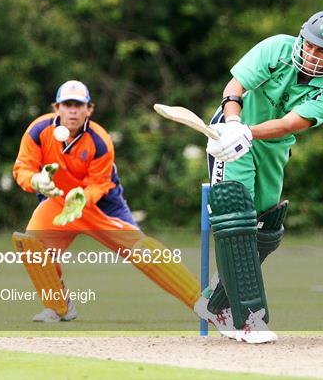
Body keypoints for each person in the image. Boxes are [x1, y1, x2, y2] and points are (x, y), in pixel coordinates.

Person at [194, 11, 323, 343]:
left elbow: (290, 124)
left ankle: (215, 304)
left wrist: (248, 133)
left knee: (265, 228)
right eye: (313, 46)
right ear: (302, 40)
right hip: (230, 140)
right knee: (236, 216)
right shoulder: (276, 48)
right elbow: (235, 87)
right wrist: (233, 125)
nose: (317, 56)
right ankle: (248, 319)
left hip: (271, 145)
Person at [13, 80, 200, 322]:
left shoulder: (99, 140)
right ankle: (59, 308)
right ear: (56, 107)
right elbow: (22, 169)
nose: (72, 111)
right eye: (67, 105)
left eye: (78, 105)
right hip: (59, 202)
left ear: (89, 109)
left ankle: (203, 301)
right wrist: (36, 181)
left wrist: (83, 197)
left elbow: (100, 184)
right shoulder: (38, 130)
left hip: (99, 207)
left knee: (142, 251)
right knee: (32, 246)